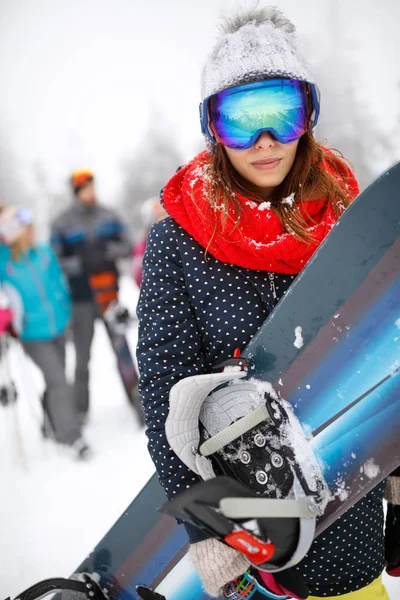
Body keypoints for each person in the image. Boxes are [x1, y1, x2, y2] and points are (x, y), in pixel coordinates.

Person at [137, 6, 396, 600]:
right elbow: (164, 386)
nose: (264, 142)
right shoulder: (178, 238)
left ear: (308, 115)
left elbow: (385, 359)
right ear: (212, 125)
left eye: (282, 113)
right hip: (247, 522)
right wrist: (200, 528)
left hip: (348, 499)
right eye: (238, 119)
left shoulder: (350, 220)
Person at [0, 205, 90, 459]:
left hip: (58, 327)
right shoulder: (4, 261)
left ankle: (50, 424)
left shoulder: (43, 252)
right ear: (14, 233)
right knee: (58, 381)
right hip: (31, 334)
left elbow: (58, 283)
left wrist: (66, 309)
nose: (32, 233)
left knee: (56, 381)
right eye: (26, 229)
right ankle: (72, 437)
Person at [51, 170, 132, 423]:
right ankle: (80, 410)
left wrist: (109, 252)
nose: (91, 192)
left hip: (109, 295)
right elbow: (55, 260)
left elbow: (128, 245)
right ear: (77, 192)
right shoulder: (62, 222)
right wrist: (79, 264)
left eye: (93, 187)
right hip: (81, 299)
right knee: (82, 357)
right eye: (86, 189)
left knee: (122, 351)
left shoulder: (109, 215)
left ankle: (140, 404)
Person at [132, 196, 167, 288]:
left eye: (165, 215)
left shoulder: (178, 240)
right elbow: (138, 277)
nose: (163, 220)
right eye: (158, 217)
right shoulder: (143, 246)